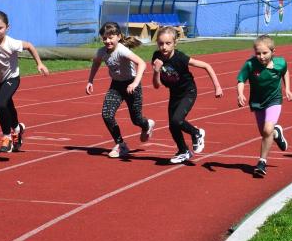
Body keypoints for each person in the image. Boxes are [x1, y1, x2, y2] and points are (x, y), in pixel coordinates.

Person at [0, 10, 49, 153]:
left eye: (0, 28)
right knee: (7, 106)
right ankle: (17, 128)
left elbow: (29, 46)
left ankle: (6, 137)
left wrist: (39, 64)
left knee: (0, 104)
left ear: (7, 27)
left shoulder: (12, 43)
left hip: (12, 78)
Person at [152, 26, 223, 164]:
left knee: (177, 120)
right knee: (172, 126)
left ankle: (197, 133)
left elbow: (206, 66)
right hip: (174, 93)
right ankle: (183, 151)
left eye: (168, 43)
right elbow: (156, 85)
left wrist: (217, 87)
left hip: (188, 92)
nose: (164, 47)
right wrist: (156, 71)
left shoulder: (181, 58)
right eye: (161, 43)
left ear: (175, 43)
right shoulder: (157, 57)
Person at [86, 22, 155, 158]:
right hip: (116, 86)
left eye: (111, 37)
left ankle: (147, 124)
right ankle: (121, 145)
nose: (107, 41)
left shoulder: (122, 50)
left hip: (131, 86)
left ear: (118, 37)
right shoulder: (101, 52)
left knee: (136, 119)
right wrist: (90, 80)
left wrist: (135, 83)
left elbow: (141, 63)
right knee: (107, 114)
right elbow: (96, 62)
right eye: (104, 38)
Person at [237, 35, 292, 176]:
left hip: (274, 100)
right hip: (257, 102)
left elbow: (285, 72)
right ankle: (276, 133)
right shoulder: (250, 64)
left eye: (265, 53)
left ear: (273, 51)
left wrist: (287, 89)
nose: (261, 57)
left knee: (267, 130)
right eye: (258, 53)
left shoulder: (280, 63)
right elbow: (241, 80)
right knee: (265, 133)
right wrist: (240, 93)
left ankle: (262, 162)